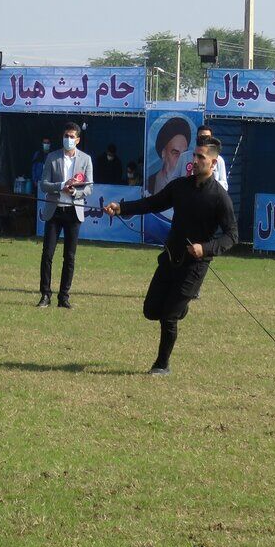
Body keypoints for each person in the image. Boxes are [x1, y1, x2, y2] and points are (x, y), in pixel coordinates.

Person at [104, 136, 238, 375]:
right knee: (151, 310)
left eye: (201, 157)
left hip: (195, 265)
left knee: (168, 316)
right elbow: (152, 203)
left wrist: (205, 248)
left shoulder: (220, 197)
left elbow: (232, 236)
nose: (194, 160)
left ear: (214, 163)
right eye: (194, 155)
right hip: (169, 258)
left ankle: (162, 365)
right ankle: (180, 307)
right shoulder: (180, 186)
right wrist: (122, 208)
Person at [37, 122, 92, 308]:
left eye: (71, 136)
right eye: (66, 136)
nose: (68, 139)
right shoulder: (52, 157)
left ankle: (64, 296)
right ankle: (45, 294)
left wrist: (75, 192)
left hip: (73, 212)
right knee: (47, 254)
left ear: (78, 139)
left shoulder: (86, 159)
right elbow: (44, 184)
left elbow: (89, 188)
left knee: (69, 257)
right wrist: (62, 185)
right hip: (54, 211)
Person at [147, 116, 192, 195]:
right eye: (175, 153)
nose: (181, 159)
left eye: (184, 154)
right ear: (163, 153)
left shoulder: (189, 182)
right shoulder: (150, 182)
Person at [195, 125, 229, 190]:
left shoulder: (219, 159)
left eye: (207, 137)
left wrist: (209, 183)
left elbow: (225, 185)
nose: (203, 140)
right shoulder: (184, 156)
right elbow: (174, 178)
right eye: (201, 137)